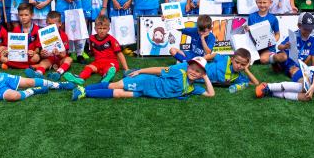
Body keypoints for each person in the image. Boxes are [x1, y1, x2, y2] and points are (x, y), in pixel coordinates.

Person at [71, 57, 215, 101]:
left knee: (119, 94)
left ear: (201, 75)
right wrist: (139, 71)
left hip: (147, 92)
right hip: (144, 81)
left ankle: (85, 92)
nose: (193, 72)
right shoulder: (179, 73)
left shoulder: (192, 88)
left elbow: (211, 94)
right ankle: (84, 90)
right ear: (188, 67)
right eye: (192, 68)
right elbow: (158, 70)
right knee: (114, 85)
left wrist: (206, 76)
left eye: (198, 71)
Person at [63, 15, 129, 85]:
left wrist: (126, 69)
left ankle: (106, 77)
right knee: (89, 67)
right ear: (95, 29)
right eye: (99, 28)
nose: (102, 31)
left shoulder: (112, 40)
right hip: (98, 62)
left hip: (111, 62)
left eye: (104, 28)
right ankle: (80, 78)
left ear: (108, 29)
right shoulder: (91, 38)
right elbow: (93, 51)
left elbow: (120, 54)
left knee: (109, 69)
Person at [272, 11, 314, 79]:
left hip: (300, 62)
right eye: (305, 28)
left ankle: (281, 67)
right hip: (289, 61)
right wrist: (285, 46)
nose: (308, 31)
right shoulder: (293, 36)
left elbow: (312, 55)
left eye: (310, 29)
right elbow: (279, 47)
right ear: (299, 26)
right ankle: (275, 61)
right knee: (295, 74)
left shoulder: (313, 38)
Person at [247, 0, 280, 65]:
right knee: (244, 58)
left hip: (268, 48)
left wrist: (272, 41)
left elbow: (277, 34)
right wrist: (248, 29)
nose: (262, 5)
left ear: (270, 3)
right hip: (255, 46)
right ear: (256, 2)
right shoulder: (251, 17)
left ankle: (273, 57)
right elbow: (250, 34)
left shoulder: (273, 18)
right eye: (260, 2)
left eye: (264, 2)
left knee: (263, 60)